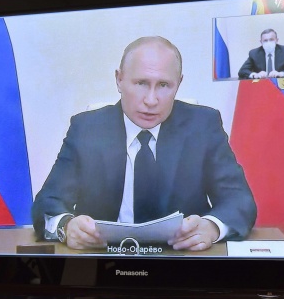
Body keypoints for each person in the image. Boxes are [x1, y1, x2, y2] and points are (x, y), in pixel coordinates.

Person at [32, 36, 257, 251]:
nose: (151, 100)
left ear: (179, 84)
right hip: (103, 261)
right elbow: (47, 203)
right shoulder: (86, 128)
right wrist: (66, 227)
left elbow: (239, 200)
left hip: (181, 260)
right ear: (119, 79)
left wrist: (212, 227)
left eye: (164, 85)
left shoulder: (203, 126)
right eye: (141, 83)